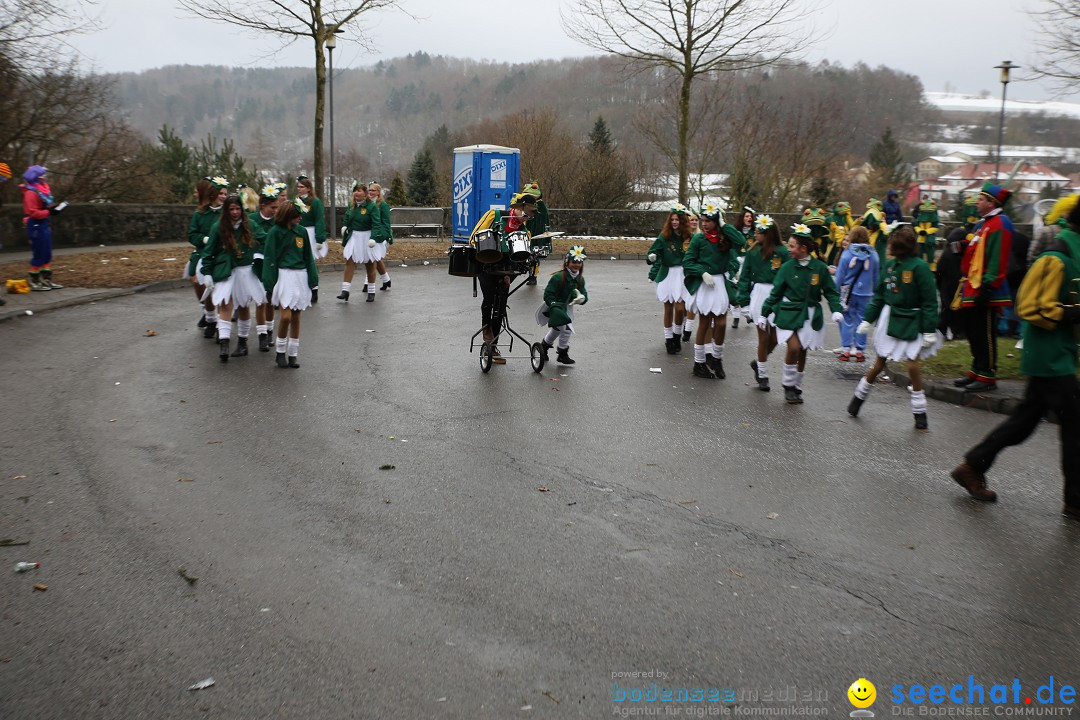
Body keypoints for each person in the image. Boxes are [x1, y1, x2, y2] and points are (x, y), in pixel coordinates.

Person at [949, 195, 1080, 514]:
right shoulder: (1058, 253)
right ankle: (1075, 501)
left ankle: (971, 467)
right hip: (1048, 354)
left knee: (1023, 422)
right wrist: (1072, 314)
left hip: (1060, 352)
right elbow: (1032, 306)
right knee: (1076, 422)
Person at [846, 226, 942, 430]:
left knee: (913, 366)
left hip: (912, 319)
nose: (888, 247)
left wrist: (929, 330)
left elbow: (929, 301)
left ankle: (920, 413)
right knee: (879, 363)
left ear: (900, 248)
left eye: (892, 245)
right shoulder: (890, 266)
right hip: (890, 318)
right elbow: (880, 295)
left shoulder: (920, 267)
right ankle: (857, 399)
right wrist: (867, 319)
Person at [760, 224, 844, 404]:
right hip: (789, 312)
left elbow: (830, 291)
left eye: (792, 246)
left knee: (803, 349)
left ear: (803, 248)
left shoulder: (819, 268)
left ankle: (797, 385)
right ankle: (788, 385)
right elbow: (776, 293)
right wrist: (764, 313)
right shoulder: (787, 267)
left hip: (810, 314)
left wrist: (836, 309)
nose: (788, 249)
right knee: (794, 347)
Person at [951, 182, 1014, 393]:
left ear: (991, 202)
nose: (976, 202)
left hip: (986, 287)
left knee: (984, 331)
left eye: (980, 199)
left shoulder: (1001, 224)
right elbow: (975, 248)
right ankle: (976, 370)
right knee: (973, 331)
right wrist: (962, 247)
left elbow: (998, 258)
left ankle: (988, 375)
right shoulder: (983, 223)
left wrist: (988, 287)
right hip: (972, 285)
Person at [469, 193, 536, 363]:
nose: (529, 216)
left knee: (501, 303)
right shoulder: (495, 215)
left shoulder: (524, 232)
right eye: (527, 212)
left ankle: (493, 348)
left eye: (532, 214)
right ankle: (487, 330)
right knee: (490, 298)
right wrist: (483, 250)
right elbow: (474, 237)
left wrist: (510, 273)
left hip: (506, 269)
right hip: (486, 265)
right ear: (518, 208)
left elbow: (519, 257)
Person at [682, 202, 745, 379]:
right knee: (704, 322)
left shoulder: (725, 237)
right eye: (702, 220)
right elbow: (688, 262)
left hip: (720, 283)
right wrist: (702, 273)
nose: (704, 224)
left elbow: (741, 241)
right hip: (706, 283)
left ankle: (717, 358)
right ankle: (699, 363)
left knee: (722, 323)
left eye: (708, 220)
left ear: (716, 221)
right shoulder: (699, 239)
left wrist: (725, 226)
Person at [200, 195, 266, 361]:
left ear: (242, 210)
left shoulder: (250, 225)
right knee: (225, 305)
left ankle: (242, 344)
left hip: (245, 271)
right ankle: (224, 343)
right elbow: (208, 252)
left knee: (244, 306)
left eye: (238, 209)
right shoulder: (218, 227)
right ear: (226, 211)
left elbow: (265, 239)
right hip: (226, 271)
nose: (235, 212)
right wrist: (207, 272)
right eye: (231, 209)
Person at [262, 199, 319, 369]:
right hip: (284, 275)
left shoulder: (301, 232)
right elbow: (269, 258)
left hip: (300, 276)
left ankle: (293, 353)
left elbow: (308, 257)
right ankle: (280, 351)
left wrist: (312, 279)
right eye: (297, 215)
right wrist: (269, 283)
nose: (300, 218)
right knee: (285, 316)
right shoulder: (275, 232)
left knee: (296, 316)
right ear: (288, 216)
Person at [735, 214, 788, 391]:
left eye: (759, 232)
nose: (755, 235)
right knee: (763, 337)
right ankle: (763, 376)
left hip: (777, 295)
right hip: (759, 294)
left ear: (769, 234)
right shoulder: (752, 252)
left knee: (775, 338)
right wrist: (744, 303)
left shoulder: (782, 252)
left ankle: (758, 363)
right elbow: (744, 278)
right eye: (756, 231)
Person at [646, 204, 692, 354]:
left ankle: (677, 335)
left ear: (683, 221)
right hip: (667, 274)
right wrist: (652, 257)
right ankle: (669, 339)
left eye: (677, 219)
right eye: (672, 219)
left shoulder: (689, 237)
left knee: (680, 308)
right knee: (668, 308)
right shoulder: (664, 237)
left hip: (682, 274)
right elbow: (652, 253)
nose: (674, 222)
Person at [187, 176, 227, 337]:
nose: (223, 197)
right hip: (204, 254)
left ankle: (220, 323)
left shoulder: (228, 213)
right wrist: (204, 239)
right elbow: (192, 235)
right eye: (220, 193)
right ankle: (210, 319)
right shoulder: (200, 213)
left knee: (221, 289)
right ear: (213, 194)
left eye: (225, 193)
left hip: (223, 256)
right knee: (203, 287)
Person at [833, 225, 879, 362]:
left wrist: (836, 291)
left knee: (847, 320)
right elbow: (876, 276)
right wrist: (876, 291)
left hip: (849, 292)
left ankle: (846, 349)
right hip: (866, 293)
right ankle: (859, 350)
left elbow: (840, 275)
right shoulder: (874, 255)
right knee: (862, 321)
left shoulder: (847, 254)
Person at [537, 245, 588, 365]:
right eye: (574, 262)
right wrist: (553, 304)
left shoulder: (580, 279)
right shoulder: (559, 277)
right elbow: (548, 294)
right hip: (555, 307)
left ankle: (544, 346)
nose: (576, 265)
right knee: (566, 329)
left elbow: (583, 293)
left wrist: (582, 299)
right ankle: (562, 353)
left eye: (579, 262)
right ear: (567, 262)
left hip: (568, 308)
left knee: (557, 329)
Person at [20, 165, 65, 291]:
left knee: (46, 254)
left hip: (44, 224)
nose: (44, 178)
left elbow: (44, 207)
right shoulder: (30, 193)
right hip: (35, 225)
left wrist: (52, 209)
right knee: (39, 254)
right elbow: (33, 212)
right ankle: (34, 280)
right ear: (35, 177)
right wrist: (49, 213)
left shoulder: (42, 190)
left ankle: (46, 280)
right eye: (42, 175)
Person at [249, 185, 280, 351]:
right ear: (263, 206)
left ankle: (269, 330)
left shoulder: (279, 221)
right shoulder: (252, 219)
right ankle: (261, 335)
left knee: (270, 299)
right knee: (260, 299)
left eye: (277, 207)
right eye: (272, 207)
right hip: (257, 262)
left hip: (273, 263)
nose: (276, 210)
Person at [338, 181, 380, 303]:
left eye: (359, 190)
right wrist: (345, 226)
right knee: (349, 261)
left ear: (365, 193)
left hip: (367, 236)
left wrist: (373, 238)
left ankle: (371, 291)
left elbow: (376, 224)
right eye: (355, 190)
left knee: (370, 263)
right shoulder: (352, 205)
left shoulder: (371, 206)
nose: (356, 193)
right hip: (355, 236)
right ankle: (345, 291)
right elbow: (347, 217)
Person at [730, 206, 755, 328]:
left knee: (746, 288)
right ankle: (735, 317)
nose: (749, 218)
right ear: (742, 218)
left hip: (749, 263)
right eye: (746, 216)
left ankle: (747, 313)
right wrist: (736, 259)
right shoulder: (736, 232)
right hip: (737, 262)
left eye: (751, 216)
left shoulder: (754, 233)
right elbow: (731, 248)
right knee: (735, 287)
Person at [522, 181, 549, 286]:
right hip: (528, 233)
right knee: (528, 255)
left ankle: (533, 276)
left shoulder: (540, 205)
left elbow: (542, 220)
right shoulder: (528, 204)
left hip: (536, 235)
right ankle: (530, 274)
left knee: (534, 256)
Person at [368, 182, 394, 293]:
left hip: (380, 235)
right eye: (369, 190)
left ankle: (368, 284)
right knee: (375, 259)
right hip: (370, 235)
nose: (370, 192)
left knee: (373, 258)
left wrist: (386, 235)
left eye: (373, 190)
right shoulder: (367, 204)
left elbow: (386, 223)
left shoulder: (382, 205)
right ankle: (386, 279)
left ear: (378, 192)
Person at [295, 175, 327, 259]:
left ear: (308, 189)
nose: (299, 189)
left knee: (310, 258)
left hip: (311, 233)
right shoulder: (296, 201)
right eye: (298, 187)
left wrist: (319, 239)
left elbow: (319, 221)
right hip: (298, 232)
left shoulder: (315, 202)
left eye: (302, 187)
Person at [859, 198, 890, 266]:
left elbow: (886, 235)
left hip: (878, 263)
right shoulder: (865, 234)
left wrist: (882, 224)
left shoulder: (881, 231)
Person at [825, 201, 855, 267]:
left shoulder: (846, 218)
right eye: (840, 206)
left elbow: (853, 227)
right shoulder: (831, 218)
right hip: (833, 242)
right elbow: (825, 221)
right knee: (832, 258)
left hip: (844, 242)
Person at [914, 195, 940, 267]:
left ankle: (932, 270)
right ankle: (919, 268)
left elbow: (936, 227)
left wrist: (927, 231)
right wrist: (920, 231)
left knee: (931, 257)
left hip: (929, 240)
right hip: (920, 239)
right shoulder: (920, 217)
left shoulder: (934, 217)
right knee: (919, 255)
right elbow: (916, 225)